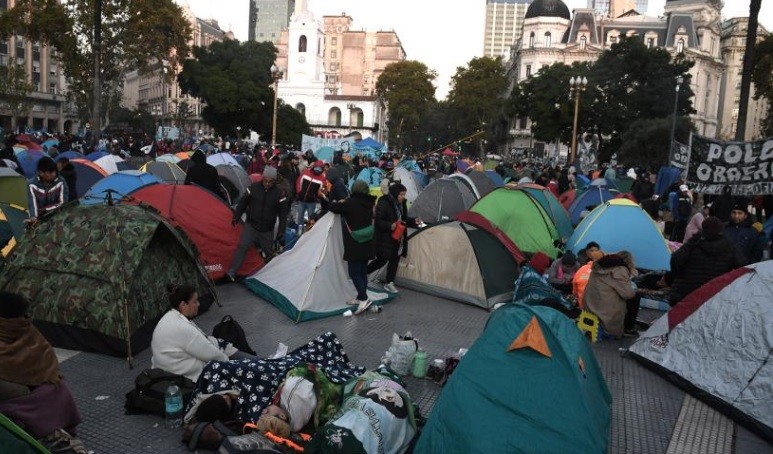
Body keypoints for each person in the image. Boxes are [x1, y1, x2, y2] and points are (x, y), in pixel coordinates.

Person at [0, 292, 84, 450]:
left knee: (55, 390)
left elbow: (22, 389)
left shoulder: (19, 330)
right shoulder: (22, 330)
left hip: (34, 396)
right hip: (37, 397)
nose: (25, 319)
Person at [151, 284, 254, 382]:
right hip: (189, 378)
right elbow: (216, 356)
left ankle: (258, 363)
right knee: (253, 370)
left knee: (229, 349)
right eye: (195, 302)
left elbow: (203, 344)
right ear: (183, 305)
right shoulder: (183, 328)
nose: (199, 304)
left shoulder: (170, 317)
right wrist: (234, 366)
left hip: (169, 371)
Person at [227, 167, 289, 280]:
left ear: (274, 181)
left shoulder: (279, 194)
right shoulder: (253, 188)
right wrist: (236, 216)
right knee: (242, 247)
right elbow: (243, 203)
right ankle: (231, 272)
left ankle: (275, 274)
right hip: (251, 225)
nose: (267, 183)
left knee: (269, 253)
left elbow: (283, 216)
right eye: (266, 180)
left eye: (271, 181)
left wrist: (281, 232)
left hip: (267, 229)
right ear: (263, 178)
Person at [325, 180, 377, 314]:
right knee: (362, 271)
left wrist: (329, 200)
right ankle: (360, 297)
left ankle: (364, 299)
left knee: (354, 273)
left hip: (355, 243)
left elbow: (332, 207)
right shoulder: (371, 203)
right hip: (368, 241)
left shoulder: (350, 203)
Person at [669, 217, 744, 306]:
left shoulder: (694, 242)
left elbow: (676, 259)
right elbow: (742, 267)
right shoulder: (729, 245)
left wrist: (677, 274)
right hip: (713, 296)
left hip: (684, 293)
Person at [366, 183, 420, 294]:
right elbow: (378, 220)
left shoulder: (402, 204)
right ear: (395, 194)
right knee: (382, 260)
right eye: (401, 194)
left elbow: (404, 218)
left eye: (404, 194)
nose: (403, 197)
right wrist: (390, 225)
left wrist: (414, 221)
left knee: (394, 260)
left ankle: (389, 282)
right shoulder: (384, 202)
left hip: (398, 238)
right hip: (385, 238)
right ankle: (363, 274)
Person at [583, 251, 640, 338]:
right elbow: (628, 294)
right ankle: (628, 329)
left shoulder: (599, 266)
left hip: (589, 306)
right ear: (629, 261)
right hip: (604, 314)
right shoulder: (619, 270)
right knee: (634, 298)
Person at [26, 156, 69, 225]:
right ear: (41, 173)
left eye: (54, 171)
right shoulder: (32, 184)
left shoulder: (60, 181)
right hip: (41, 218)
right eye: (51, 172)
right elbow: (32, 202)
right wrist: (33, 217)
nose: (54, 174)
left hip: (57, 215)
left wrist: (46, 209)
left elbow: (63, 202)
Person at [573, 242, 603, 309]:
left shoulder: (582, 269)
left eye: (596, 251)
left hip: (583, 306)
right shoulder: (603, 270)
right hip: (594, 308)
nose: (594, 253)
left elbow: (574, 291)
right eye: (592, 251)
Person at [296, 160, 326, 227]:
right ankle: (300, 229)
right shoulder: (305, 172)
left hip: (311, 202)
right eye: (316, 168)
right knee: (300, 216)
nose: (317, 170)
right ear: (314, 167)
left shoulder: (322, 178)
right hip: (301, 199)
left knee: (311, 217)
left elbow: (322, 189)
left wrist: (319, 195)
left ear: (322, 169)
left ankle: (309, 231)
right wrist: (299, 192)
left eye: (319, 169)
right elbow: (299, 182)